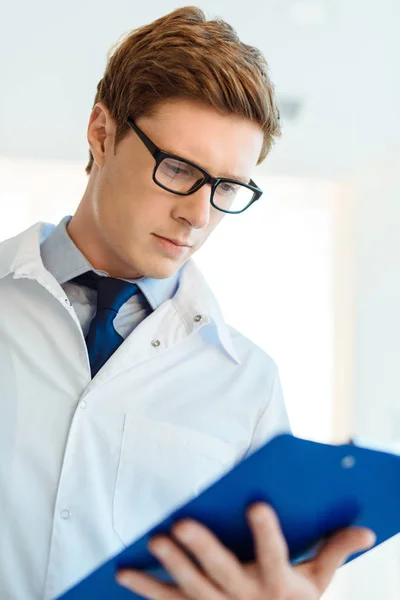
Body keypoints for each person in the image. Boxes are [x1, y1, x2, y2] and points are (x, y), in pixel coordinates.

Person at [0, 6, 375, 600]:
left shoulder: (248, 385)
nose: (199, 215)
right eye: (178, 169)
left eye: (226, 187)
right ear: (102, 133)